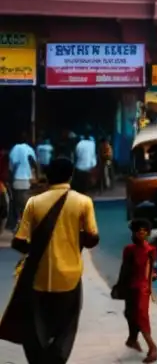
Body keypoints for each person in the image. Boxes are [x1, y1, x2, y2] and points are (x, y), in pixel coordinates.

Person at [0, 156, 100, 363]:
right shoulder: (83, 202)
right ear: (70, 175)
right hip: (70, 277)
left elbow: (18, 242)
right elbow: (92, 239)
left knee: (37, 325)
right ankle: (57, 357)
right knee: (67, 326)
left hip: (39, 277)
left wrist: (38, 248)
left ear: (47, 176)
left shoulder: (34, 203)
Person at [114, 219, 157, 362]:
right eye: (138, 232)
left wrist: (153, 275)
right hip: (130, 287)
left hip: (142, 289)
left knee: (141, 315)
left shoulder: (151, 250)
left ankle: (152, 347)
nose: (141, 234)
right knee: (130, 314)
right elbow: (124, 269)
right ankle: (132, 339)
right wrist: (120, 286)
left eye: (144, 232)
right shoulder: (129, 250)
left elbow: (155, 268)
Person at [9, 133, 38, 231]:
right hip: (27, 179)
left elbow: (11, 166)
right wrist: (36, 177)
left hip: (16, 178)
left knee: (17, 202)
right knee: (25, 202)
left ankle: (18, 222)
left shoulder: (14, 149)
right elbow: (34, 164)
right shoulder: (29, 149)